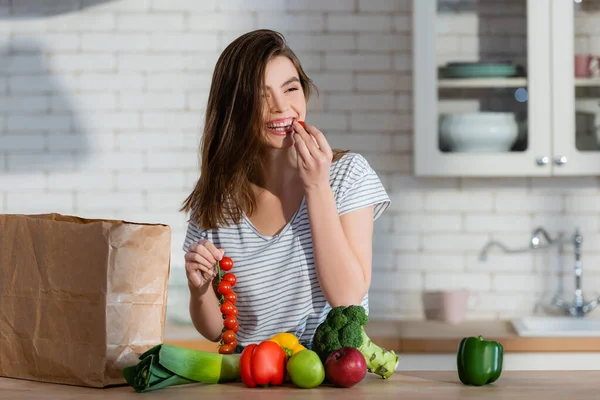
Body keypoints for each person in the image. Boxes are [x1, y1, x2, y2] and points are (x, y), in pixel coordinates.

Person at [180, 29, 390, 353]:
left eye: (290, 88)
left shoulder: (347, 175)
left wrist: (317, 186)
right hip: (252, 379)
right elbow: (216, 330)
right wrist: (199, 290)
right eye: (262, 97)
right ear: (235, 109)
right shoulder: (217, 203)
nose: (281, 107)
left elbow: (347, 299)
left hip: (329, 377)